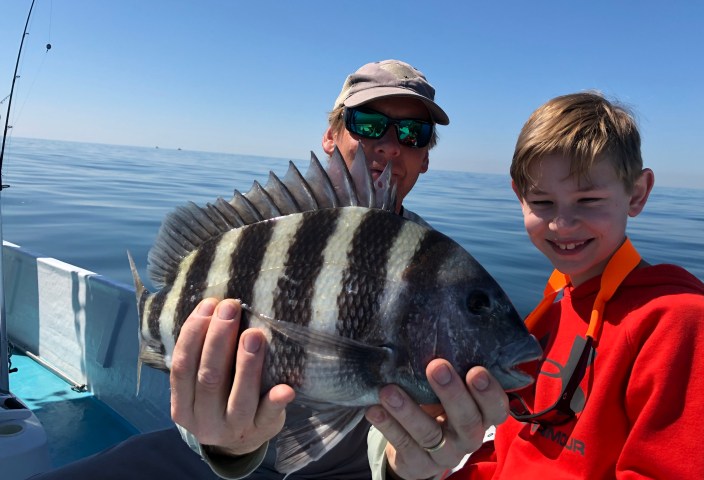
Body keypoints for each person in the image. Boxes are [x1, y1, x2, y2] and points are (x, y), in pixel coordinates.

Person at [30, 60, 509, 480]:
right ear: (330, 135)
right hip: (214, 462)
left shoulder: (440, 272)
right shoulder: (267, 230)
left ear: (425, 157)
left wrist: (408, 467)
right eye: (368, 123)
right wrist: (223, 446)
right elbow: (200, 385)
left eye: (412, 133)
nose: (389, 145)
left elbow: (410, 422)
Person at [368, 91, 704, 479]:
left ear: (636, 193)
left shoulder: (681, 321)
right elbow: (511, 451)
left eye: (588, 200)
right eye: (543, 202)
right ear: (519, 197)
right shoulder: (552, 307)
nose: (562, 224)